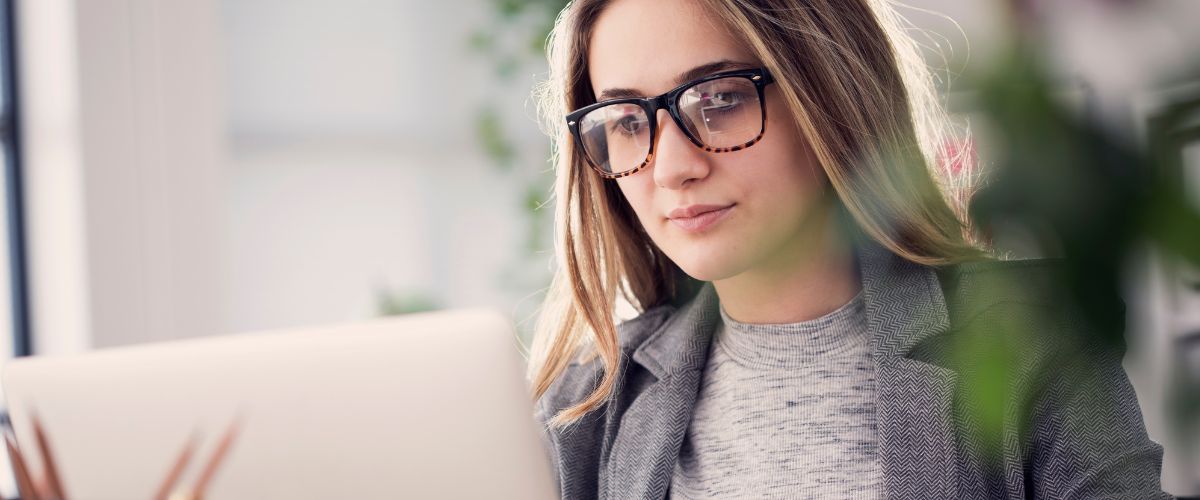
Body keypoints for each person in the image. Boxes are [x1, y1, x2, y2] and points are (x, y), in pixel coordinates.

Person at [525, 0, 1169, 498]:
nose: (670, 167)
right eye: (628, 121)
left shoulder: (1028, 335)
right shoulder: (588, 402)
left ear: (826, 96)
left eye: (719, 100)